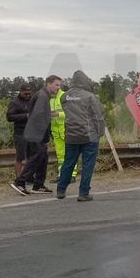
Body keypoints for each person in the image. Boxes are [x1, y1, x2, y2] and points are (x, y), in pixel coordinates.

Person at [56, 70, 106, 202]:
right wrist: (100, 132)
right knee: (87, 165)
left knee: (68, 163)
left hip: (71, 135)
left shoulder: (65, 96)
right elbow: (98, 117)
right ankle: (83, 193)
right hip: (88, 136)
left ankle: (61, 190)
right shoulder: (90, 97)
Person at [16, 75, 62, 195]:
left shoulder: (43, 95)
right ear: (48, 83)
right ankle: (20, 182)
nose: (58, 88)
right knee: (37, 156)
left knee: (43, 157)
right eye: (56, 85)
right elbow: (37, 115)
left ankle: (38, 185)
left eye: (59, 85)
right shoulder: (42, 96)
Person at [6, 84, 35, 192]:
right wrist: (25, 116)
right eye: (25, 94)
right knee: (20, 157)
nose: (28, 95)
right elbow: (9, 117)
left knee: (32, 156)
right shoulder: (14, 102)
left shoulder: (32, 100)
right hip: (20, 133)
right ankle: (18, 179)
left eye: (29, 93)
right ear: (20, 92)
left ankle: (29, 177)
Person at [50, 82, 78, 182]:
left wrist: (58, 114)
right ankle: (61, 175)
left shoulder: (65, 96)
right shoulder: (50, 98)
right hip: (56, 132)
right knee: (60, 156)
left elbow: (73, 113)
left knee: (70, 154)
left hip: (66, 130)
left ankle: (72, 175)